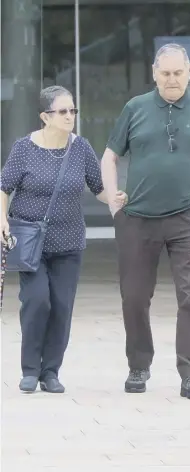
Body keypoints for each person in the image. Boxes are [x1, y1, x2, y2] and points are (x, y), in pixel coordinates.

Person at [101, 43, 190, 399]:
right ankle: (138, 365)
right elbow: (109, 156)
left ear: (189, 73)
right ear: (154, 73)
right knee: (134, 297)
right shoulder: (135, 108)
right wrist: (112, 201)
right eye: (165, 73)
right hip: (138, 218)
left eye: (178, 73)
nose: (172, 79)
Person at [0, 86, 127, 393]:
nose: (70, 116)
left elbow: (97, 187)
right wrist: (2, 220)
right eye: (63, 111)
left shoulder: (80, 148)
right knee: (37, 300)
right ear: (45, 116)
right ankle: (29, 369)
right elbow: (3, 187)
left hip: (69, 242)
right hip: (31, 242)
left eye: (73, 110)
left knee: (61, 305)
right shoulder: (24, 148)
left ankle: (50, 372)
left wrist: (114, 196)